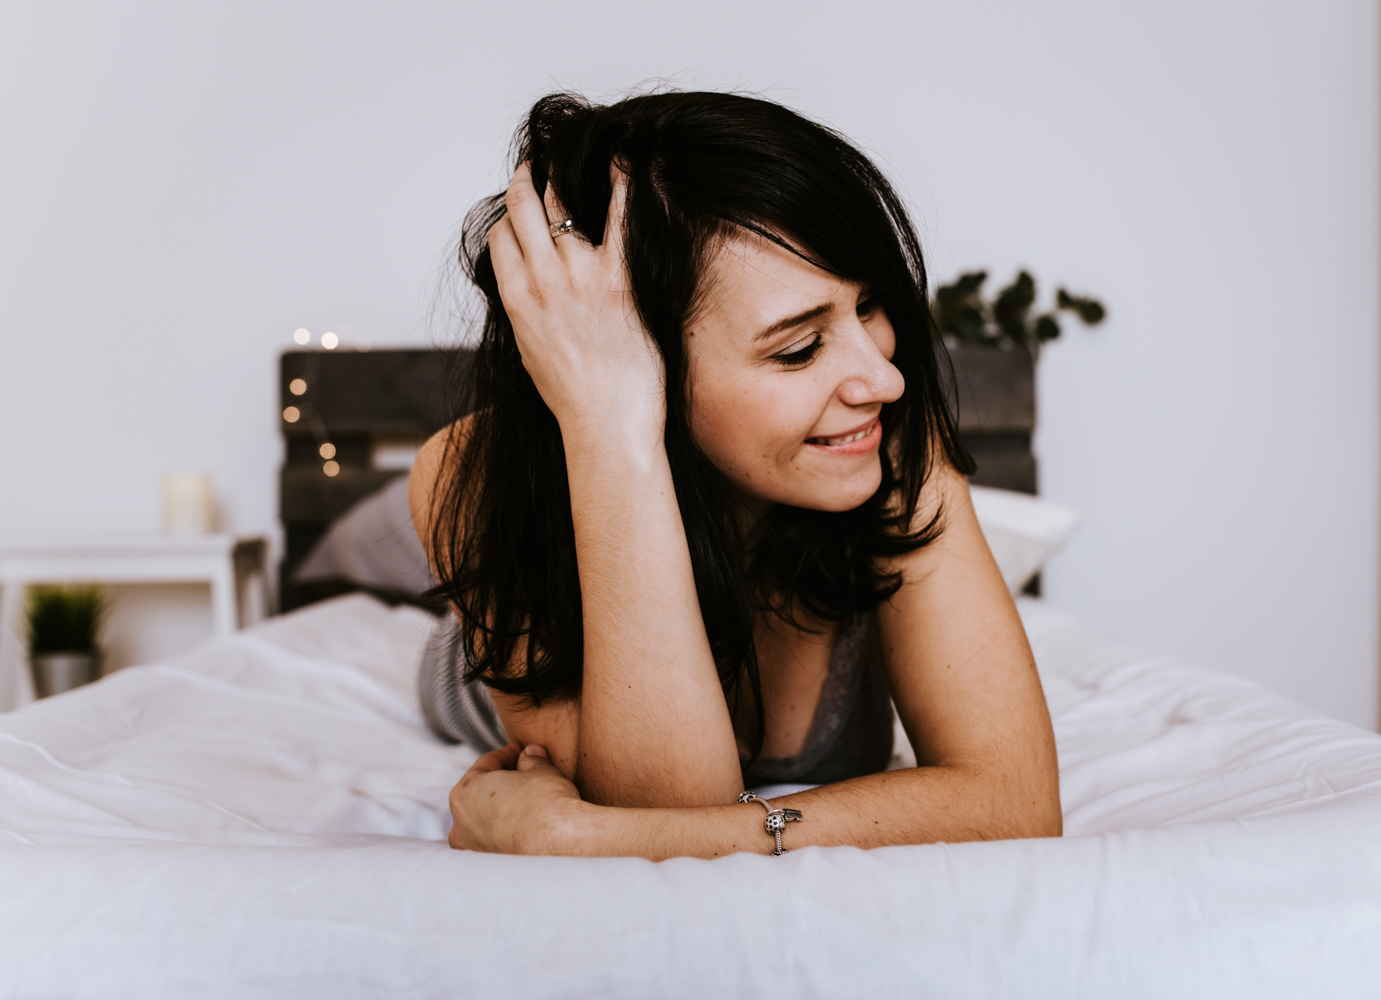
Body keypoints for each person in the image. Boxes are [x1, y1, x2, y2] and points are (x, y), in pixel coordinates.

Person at [408, 91, 1060, 860]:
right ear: (633, 359)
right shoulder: (475, 474)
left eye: (871, 305)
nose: (882, 380)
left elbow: (1013, 804)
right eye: (798, 349)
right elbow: (668, 806)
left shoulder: (893, 446)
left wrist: (571, 832)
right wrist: (612, 426)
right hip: (492, 623)